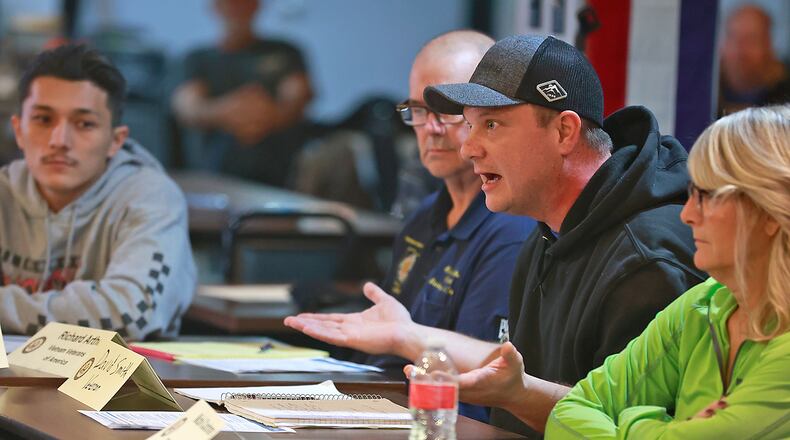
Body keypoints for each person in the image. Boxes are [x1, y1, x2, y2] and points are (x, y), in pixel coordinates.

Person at [285, 34, 706, 436]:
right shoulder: (548, 232)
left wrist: (516, 396)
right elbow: (519, 377)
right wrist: (408, 337)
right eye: (468, 125)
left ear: (564, 132)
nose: (469, 148)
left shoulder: (646, 260)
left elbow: (628, 427)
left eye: (491, 125)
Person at [291, 30, 535, 423]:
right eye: (419, 110)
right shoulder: (424, 216)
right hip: (385, 408)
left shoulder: (511, 227)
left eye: (448, 110)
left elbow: (484, 376)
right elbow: (386, 346)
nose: (431, 128)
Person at [546, 105, 790, 439]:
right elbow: (567, 411)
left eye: (707, 196)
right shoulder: (699, 306)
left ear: (771, 212)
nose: (687, 214)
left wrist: (637, 419)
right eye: (692, 193)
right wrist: (671, 429)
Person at [0, 44, 196, 341]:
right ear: (18, 131)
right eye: (43, 119)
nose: (59, 140)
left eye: (84, 124)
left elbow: (131, 312)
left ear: (116, 140)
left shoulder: (151, 197)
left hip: (120, 383)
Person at [171, 0, 313, 187]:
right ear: (216, 7)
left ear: (257, 5)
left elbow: (298, 98)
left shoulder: (285, 52)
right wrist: (230, 113)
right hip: (216, 168)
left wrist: (258, 118)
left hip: (282, 168)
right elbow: (187, 108)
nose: (237, 8)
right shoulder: (197, 58)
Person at [719, 4, 790, 115]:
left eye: (751, 40)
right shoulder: (703, 91)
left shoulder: (785, 96)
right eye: (732, 37)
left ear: (768, 45)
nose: (740, 50)